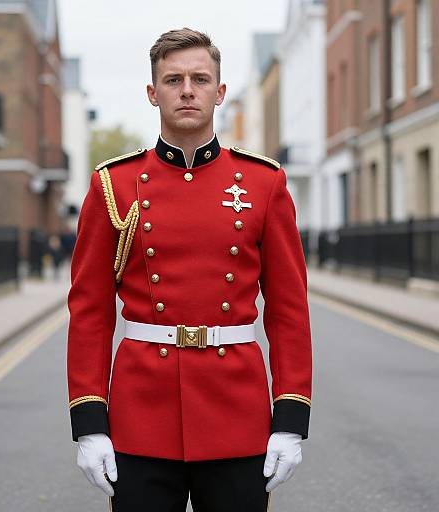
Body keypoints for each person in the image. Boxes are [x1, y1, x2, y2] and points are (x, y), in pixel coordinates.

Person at [67, 28, 312, 512]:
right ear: (152, 93)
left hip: (236, 414)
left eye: (200, 78)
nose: (187, 90)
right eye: (173, 79)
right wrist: (90, 424)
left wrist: (289, 418)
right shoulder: (113, 185)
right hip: (141, 417)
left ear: (220, 92)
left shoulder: (264, 183)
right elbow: (90, 312)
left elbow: (288, 310)